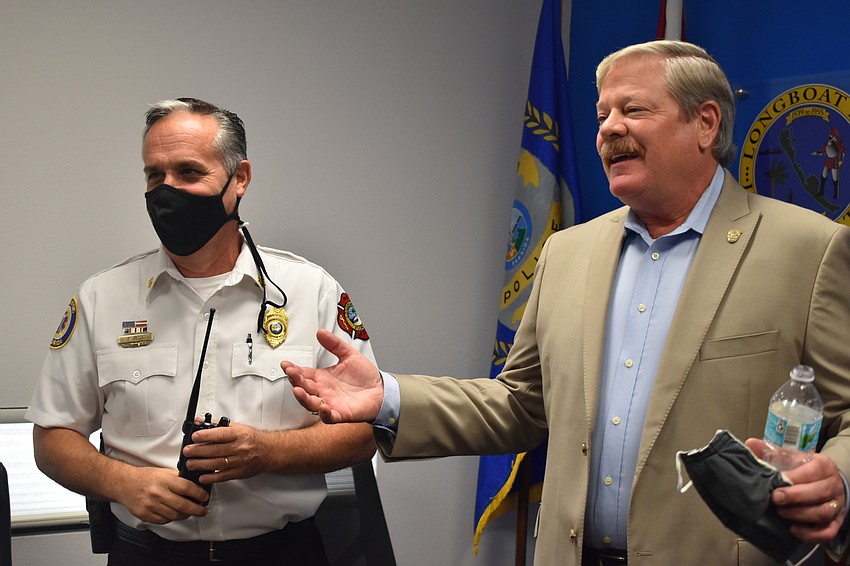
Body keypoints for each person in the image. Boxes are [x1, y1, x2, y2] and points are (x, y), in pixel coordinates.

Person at [281, 41, 850, 565]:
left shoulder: (809, 250)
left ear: (705, 123)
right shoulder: (567, 253)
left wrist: (839, 478)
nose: (609, 130)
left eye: (634, 110)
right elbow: (521, 405)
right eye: (602, 115)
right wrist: (389, 397)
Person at [26, 97, 377, 566]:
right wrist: (123, 482)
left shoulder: (310, 291)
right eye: (155, 175)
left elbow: (368, 430)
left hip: (282, 553)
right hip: (147, 554)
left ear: (240, 179)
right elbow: (52, 438)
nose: (167, 190)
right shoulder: (100, 298)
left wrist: (266, 452)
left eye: (189, 172)